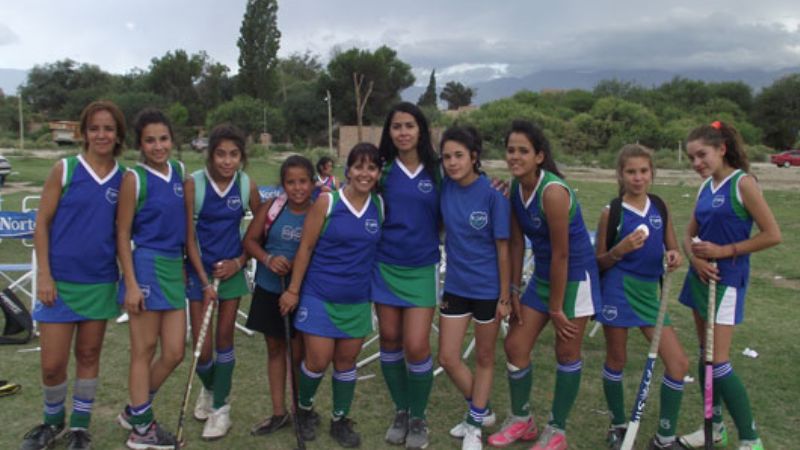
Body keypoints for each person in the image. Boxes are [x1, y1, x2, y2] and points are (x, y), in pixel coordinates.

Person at [490, 119, 600, 450]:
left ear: (539, 156)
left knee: (566, 351)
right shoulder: (515, 188)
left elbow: (563, 254)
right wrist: (511, 290)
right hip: (542, 276)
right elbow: (516, 243)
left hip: (574, 277)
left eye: (523, 151)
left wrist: (555, 307)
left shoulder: (552, 192)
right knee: (515, 346)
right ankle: (522, 420)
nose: (515, 156)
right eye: (511, 150)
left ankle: (557, 430)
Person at [24, 100, 126, 450]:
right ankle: (52, 422)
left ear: (118, 135)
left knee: (88, 355)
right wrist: (45, 276)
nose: (101, 134)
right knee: (52, 365)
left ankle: (80, 427)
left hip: (99, 282)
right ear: (83, 132)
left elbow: (124, 233)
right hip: (59, 284)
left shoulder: (124, 178)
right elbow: (42, 224)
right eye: (95, 128)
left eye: (108, 129)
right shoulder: (65, 169)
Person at [677, 121, 780, 450]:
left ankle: (751, 439)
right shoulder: (705, 187)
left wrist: (724, 252)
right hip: (700, 279)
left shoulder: (743, 184)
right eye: (692, 158)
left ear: (722, 149)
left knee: (718, 361)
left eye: (702, 155)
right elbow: (688, 234)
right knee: (704, 357)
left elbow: (772, 234)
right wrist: (695, 260)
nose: (697, 164)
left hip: (727, 281)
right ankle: (713, 426)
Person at [279, 143, 384, 448]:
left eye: (372, 167)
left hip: (357, 299)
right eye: (359, 166)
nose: (365, 173)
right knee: (317, 360)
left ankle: (340, 419)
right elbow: (306, 248)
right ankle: (305, 410)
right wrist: (293, 290)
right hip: (319, 295)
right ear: (347, 170)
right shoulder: (327, 202)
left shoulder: (379, 206)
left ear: (378, 173)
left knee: (347, 362)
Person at [594, 144, 687, 450]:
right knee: (617, 358)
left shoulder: (659, 206)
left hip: (649, 293)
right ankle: (618, 424)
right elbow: (599, 262)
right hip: (618, 290)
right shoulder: (613, 211)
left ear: (652, 173)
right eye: (631, 172)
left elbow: (672, 247)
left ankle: (664, 437)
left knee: (678, 363)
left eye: (643, 171)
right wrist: (619, 250)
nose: (638, 178)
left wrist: (674, 256)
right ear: (621, 174)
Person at [115, 108, 186, 450]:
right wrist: (129, 283)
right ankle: (142, 429)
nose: (158, 146)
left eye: (163, 138)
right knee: (143, 350)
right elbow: (123, 233)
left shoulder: (180, 172)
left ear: (171, 139)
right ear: (140, 144)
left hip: (175, 268)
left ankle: (134, 411)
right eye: (150, 140)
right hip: (146, 266)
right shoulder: (134, 178)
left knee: (174, 352)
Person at [372, 102, 441, 450]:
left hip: (422, 269)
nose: (402, 132)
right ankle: (401, 410)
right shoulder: (381, 172)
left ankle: (419, 416)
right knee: (389, 339)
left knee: (416, 345)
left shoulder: (437, 170)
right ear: (389, 132)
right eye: (396, 126)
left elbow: (460, 201)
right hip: (385, 265)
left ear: (420, 130)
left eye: (409, 126)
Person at [184, 123, 259, 440]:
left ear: (241, 158)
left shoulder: (245, 185)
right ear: (210, 155)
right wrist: (202, 278)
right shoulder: (194, 185)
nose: (227, 161)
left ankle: (221, 410)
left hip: (231, 273)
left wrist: (240, 262)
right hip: (198, 274)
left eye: (234, 155)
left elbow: (261, 227)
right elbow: (187, 237)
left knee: (225, 338)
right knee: (202, 351)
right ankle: (211, 389)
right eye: (221, 155)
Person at [437, 126, 510, 450]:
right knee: (448, 357)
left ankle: (474, 426)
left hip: (488, 290)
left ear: (474, 157)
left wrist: (505, 295)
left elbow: (503, 248)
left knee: (483, 357)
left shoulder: (494, 193)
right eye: (447, 157)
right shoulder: (444, 189)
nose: (452, 163)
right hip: (455, 286)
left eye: (459, 156)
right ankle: (482, 409)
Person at [243, 155, 315, 436]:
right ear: (283, 185)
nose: (297, 188)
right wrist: (268, 258)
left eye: (303, 182)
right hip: (270, 288)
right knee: (275, 350)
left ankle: (301, 411)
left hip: (302, 293)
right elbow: (249, 241)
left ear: (312, 183)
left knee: (299, 354)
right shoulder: (272, 207)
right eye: (290, 182)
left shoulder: (319, 210)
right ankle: (278, 412)